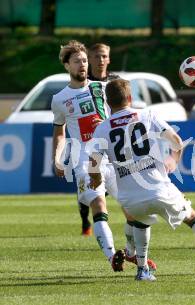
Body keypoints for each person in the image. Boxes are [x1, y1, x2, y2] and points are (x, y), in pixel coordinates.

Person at [88, 79, 195, 281]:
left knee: (140, 223)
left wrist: (96, 180)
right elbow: (176, 142)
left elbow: (94, 164)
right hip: (158, 188)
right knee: (192, 217)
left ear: (108, 102)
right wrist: (173, 159)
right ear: (130, 98)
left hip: (130, 199)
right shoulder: (147, 115)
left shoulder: (102, 128)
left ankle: (142, 270)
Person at [51, 40, 125, 272]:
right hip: (84, 158)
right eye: (76, 62)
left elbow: (118, 117)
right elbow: (59, 133)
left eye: (84, 61)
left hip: (111, 156)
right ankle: (113, 257)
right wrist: (57, 158)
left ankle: (137, 256)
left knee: (131, 207)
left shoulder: (101, 88)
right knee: (98, 203)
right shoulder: (59, 99)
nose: (82, 65)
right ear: (67, 66)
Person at [78, 43, 118, 236]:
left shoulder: (116, 81)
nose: (100, 60)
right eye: (96, 57)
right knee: (87, 184)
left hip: (110, 141)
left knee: (108, 184)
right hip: (88, 142)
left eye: (104, 56)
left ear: (109, 58)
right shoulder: (82, 83)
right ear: (89, 59)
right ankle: (85, 221)